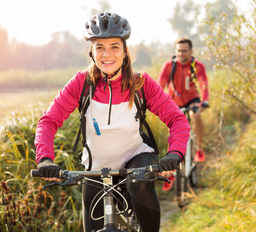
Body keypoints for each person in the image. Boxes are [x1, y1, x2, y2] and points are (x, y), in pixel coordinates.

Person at [34, 12, 190, 232]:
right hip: (96, 168)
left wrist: (175, 153)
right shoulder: (81, 84)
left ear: (125, 52)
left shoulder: (141, 84)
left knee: (140, 186)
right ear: (92, 52)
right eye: (100, 47)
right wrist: (45, 159)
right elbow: (48, 121)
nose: (107, 54)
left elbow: (177, 119)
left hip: (136, 160)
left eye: (114, 47)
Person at [157, 38, 209, 190]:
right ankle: (171, 171)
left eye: (184, 51)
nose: (181, 53)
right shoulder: (169, 65)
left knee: (196, 115)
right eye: (178, 50)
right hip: (174, 102)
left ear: (191, 52)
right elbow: (160, 85)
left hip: (192, 99)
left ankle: (199, 149)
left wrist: (204, 101)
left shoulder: (197, 66)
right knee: (173, 134)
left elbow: (203, 83)